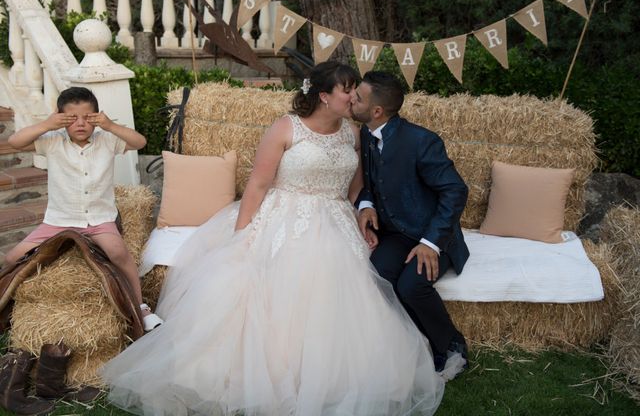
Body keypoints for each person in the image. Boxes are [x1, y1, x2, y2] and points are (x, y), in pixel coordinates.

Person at [100, 62, 445, 416]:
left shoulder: (350, 134)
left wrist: (363, 213)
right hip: (283, 217)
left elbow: (355, 186)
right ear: (324, 96)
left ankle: (326, 374)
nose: (353, 95)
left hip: (335, 220)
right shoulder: (286, 128)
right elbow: (258, 185)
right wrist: (243, 235)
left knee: (338, 289)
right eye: (347, 89)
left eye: (355, 88)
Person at [4, 87, 163, 331]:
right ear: (61, 118)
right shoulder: (53, 141)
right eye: (72, 118)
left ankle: (140, 307)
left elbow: (139, 141)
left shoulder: (107, 140)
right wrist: (48, 124)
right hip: (59, 220)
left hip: (99, 220)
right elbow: (15, 142)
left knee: (118, 253)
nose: (80, 124)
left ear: (97, 117)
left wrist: (109, 125)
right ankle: (17, 307)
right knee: (12, 257)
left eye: (88, 118)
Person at [350, 71, 470, 373]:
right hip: (395, 234)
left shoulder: (422, 141)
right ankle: (410, 343)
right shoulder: (366, 133)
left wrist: (431, 243)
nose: (352, 97)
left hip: (432, 236)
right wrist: (365, 204)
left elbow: (455, 190)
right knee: (378, 277)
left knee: (411, 286)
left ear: (377, 111)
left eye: (359, 97)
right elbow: (369, 180)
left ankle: (452, 346)